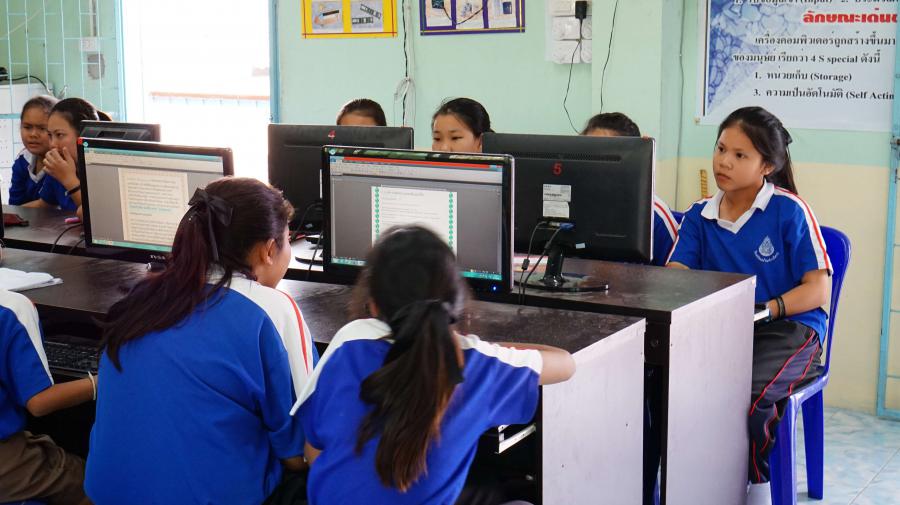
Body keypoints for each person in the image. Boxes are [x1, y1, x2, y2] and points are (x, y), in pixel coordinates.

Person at [295, 225, 576, 504]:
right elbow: (565, 364)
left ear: (374, 303)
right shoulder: (478, 364)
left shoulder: (348, 341)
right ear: (455, 303)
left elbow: (312, 450)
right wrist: (487, 349)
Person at [85, 177, 318, 504]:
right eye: (287, 240)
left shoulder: (141, 297)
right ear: (268, 250)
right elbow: (300, 452)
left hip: (108, 495)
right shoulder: (271, 308)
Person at [667, 106, 830, 502]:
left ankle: (757, 488)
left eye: (740, 155)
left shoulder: (789, 211)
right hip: (724, 329)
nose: (724, 161)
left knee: (749, 396)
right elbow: (675, 276)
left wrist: (767, 309)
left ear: (767, 166)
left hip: (791, 329)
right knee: (670, 387)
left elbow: (817, 291)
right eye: (721, 148)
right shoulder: (699, 216)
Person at [0, 289, 95, 505]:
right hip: (5, 459)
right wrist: (100, 382)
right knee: (89, 483)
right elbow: (39, 402)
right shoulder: (11, 307)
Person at [582, 112, 679, 267]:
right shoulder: (577, 206)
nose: (593, 162)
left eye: (604, 154)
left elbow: (674, 275)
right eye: (588, 152)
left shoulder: (653, 215)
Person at [39, 98, 111, 213]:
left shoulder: (104, 170)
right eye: (50, 135)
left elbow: (97, 214)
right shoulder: (58, 167)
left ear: (83, 135)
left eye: (59, 135)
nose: (52, 144)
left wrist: (69, 179)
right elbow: (45, 204)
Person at [9, 95, 58, 205]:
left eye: (42, 128)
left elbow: (48, 205)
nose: (33, 134)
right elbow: (15, 204)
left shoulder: (61, 165)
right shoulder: (22, 160)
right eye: (27, 127)